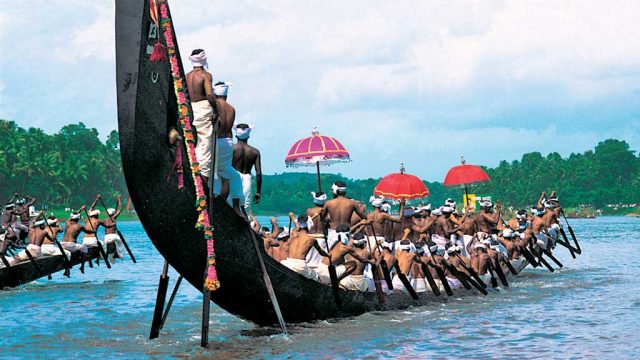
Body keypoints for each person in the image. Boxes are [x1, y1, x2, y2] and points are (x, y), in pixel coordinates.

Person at [210, 81, 244, 216]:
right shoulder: (231, 109)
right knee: (225, 177)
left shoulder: (213, 106)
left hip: (216, 140)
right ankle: (222, 204)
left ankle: (214, 202)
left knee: (210, 171)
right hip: (228, 141)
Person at [186, 49, 217, 183]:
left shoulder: (187, 76)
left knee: (192, 144)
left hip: (190, 110)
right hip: (203, 109)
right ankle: (202, 186)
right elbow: (210, 94)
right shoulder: (205, 75)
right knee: (204, 148)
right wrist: (215, 110)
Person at [320, 182, 367, 250]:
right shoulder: (352, 203)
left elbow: (322, 219)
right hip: (347, 232)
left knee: (333, 254)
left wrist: (328, 220)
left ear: (335, 191)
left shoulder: (328, 203)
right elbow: (365, 217)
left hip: (333, 232)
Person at [281, 214, 328, 281]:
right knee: (318, 278)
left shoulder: (294, 233)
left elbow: (297, 226)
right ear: (310, 224)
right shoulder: (311, 239)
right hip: (300, 266)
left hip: (287, 263)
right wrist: (328, 256)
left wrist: (293, 217)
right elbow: (322, 252)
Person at [232, 124, 262, 211]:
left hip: (234, 177)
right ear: (248, 137)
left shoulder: (232, 149)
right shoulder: (255, 152)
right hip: (247, 179)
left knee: (232, 203)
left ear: (236, 136)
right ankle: (245, 222)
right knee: (245, 206)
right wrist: (258, 192)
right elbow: (258, 173)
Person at [102, 195, 125, 262]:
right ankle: (120, 255)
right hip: (113, 236)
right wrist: (119, 199)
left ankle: (109, 253)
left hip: (106, 237)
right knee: (120, 242)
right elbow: (120, 209)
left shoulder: (104, 220)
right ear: (113, 213)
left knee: (110, 242)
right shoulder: (114, 217)